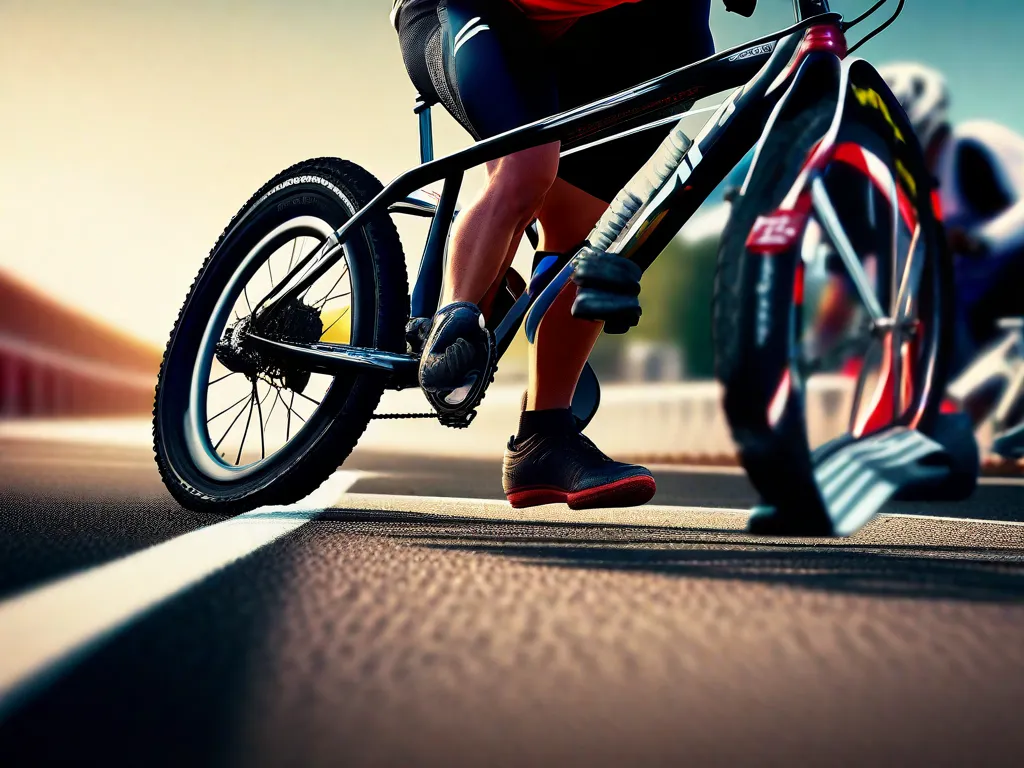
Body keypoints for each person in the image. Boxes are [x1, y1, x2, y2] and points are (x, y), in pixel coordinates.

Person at [391, 0, 717, 508]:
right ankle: (456, 318)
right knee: (525, 165)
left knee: (589, 227)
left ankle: (544, 438)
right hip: (472, 8)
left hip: (594, 32)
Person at [880, 63, 1024, 455]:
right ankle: (941, 444)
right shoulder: (909, 186)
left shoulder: (978, 144)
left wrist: (982, 241)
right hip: (975, 301)